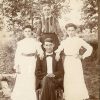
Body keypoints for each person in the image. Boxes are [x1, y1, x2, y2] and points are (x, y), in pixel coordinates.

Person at [55, 23, 93, 100]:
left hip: (76, 60)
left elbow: (90, 48)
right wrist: (58, 54)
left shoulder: (79, 40)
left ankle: (78, 95)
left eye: (72, 30)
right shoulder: (65, 41)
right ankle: (69, 96)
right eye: (69, 30)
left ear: (75, 31)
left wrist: (82, 56)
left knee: (77, 77)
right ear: (66, 31)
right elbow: (58, 49)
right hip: (68, 61)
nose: (71, 32)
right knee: (68, 77)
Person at [11, 25, 43, 100]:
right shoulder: (20, 42)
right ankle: (20, 96)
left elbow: (40, 51)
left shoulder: (35, 42)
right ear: (23, 32)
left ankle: (30, 97)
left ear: (31, 32)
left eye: (29, 31)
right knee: (22, 78)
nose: (27, 33)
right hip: (22, 61)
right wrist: (17, 66)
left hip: (32, 61)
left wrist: (41, 53)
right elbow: (17, 55)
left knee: (30, 77)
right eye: (26, 31)